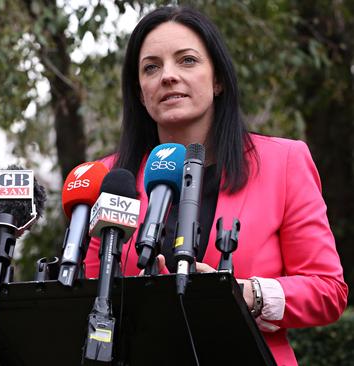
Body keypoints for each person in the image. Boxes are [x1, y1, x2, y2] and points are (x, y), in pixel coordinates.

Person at [83, 6, 348, 365]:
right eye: (151, 67)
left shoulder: (283, 162)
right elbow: (87, 295)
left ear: (218, 79)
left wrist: (245, 294)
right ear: (140, 92)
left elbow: (328, 291)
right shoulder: (111, 177)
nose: (168, 77)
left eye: (187, 61)